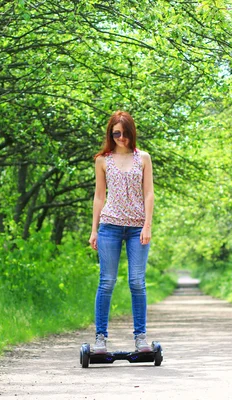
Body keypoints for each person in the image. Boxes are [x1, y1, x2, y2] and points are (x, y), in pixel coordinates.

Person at [88, 110, 155, 354]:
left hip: (138, 226)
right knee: (106, 282)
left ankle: (140, 337)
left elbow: (149, 193)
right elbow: (99, 196)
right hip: (110, 226)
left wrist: (147, 224)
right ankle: (100, 339)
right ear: (110, 134)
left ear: (132, 132)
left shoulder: (143, 158)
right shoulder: (103, 160)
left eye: (125, 133)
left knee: (137, 281)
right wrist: (94, 229)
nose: (121, 138)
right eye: (116, 133)